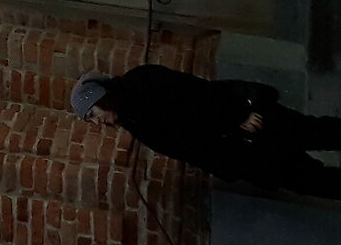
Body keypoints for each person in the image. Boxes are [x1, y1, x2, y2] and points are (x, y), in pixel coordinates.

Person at [71, 65, 341, 196]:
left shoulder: (142, 82)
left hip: (252, 122)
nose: (98, 123)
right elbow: (189, 147)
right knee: (311, 180)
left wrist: (238, 116)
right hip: (243, 154)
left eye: (93, 115)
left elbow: (197, 94)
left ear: (102, 98)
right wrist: (233, 170)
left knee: (316, 133)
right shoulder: (133, 121)